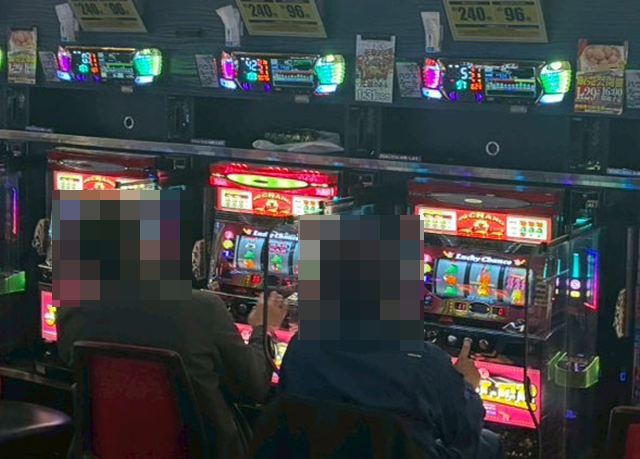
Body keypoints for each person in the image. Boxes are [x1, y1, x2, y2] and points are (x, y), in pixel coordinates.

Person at [57, 289, 289, 459]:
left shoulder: (73, 304)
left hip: (103, 450)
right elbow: (255, 387)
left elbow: (66, 361)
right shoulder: (204, 308)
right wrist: (264, 329)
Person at [279, 335, 500, 458]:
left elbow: (282, 409)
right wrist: (466, 385)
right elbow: (465, 432)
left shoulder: (301, 344)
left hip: (312, 450)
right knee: (489, 443)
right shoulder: (425, 361)